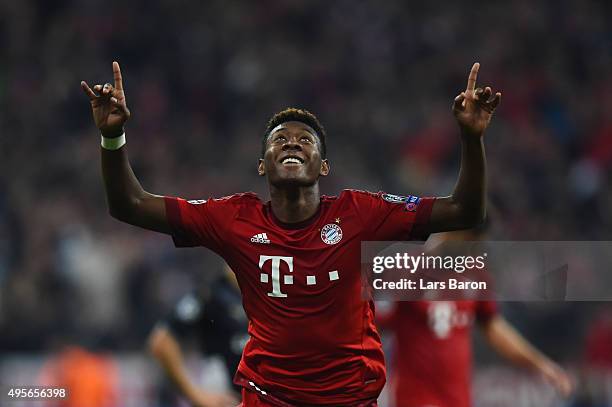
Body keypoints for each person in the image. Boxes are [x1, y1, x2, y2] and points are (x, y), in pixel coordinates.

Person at [80, 61, 501, 406]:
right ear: (263, 164)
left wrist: (470, 139)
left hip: (350, 400)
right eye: (279, 139)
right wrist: (112, 136)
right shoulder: (234, 218)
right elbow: (129, 205)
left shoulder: (362, 212)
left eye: (305, 139)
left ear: (323, 166)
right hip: (269, 398)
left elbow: (464, 209)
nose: (292, 143)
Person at [377, 225, 574, 407]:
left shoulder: (476, 273)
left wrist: (541, 364)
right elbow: (375, 319)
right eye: (468, 239)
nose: (472, 247)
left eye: (476, 241)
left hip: (457, 398)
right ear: (449, 232)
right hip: (416, 397)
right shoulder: (409, 268)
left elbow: (494, 327)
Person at [148, 264, 248, 407]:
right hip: (227, 398)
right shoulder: (210, 295)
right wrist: (195, 394)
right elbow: (162, 341)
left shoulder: (268, 296)